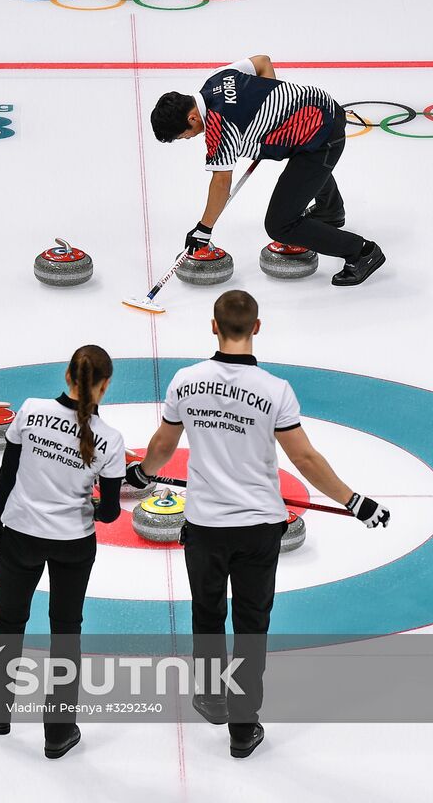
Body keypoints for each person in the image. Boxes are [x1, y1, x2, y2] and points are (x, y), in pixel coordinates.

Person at [126, 290, 390, 758]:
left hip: (205, 528)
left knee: (207, 614)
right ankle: (243, 729)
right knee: (251, 625)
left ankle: (209, 696)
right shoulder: (275, 391)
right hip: (257, 529)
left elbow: (164, 445)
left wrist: (144, 473)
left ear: (213, 326)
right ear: (257, 327)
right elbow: (304, 458)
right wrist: (355, 501)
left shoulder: (186, 382)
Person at [0, 344, 125, 759]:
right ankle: (59, 731)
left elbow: (7, 475)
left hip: (21, 538)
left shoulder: (30, 412)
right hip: (73, 544)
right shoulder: (111, 441)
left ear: (67, 376)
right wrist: (101, 495)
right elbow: (109, 514)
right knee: (67, 630)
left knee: (9, 622)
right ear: (105, 386)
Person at [150, 54, 385, 287]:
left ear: (192, 118)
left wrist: (204, 228)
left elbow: (221, 182)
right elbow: (262, 62)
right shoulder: (218, 78)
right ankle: (330, 211)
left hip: (322, 137)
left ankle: (362, 252)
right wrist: (274, 109)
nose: (189, 138)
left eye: (183, 135)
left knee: (280, 224)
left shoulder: (220, 128)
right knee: (301, 170)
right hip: (321, 107)